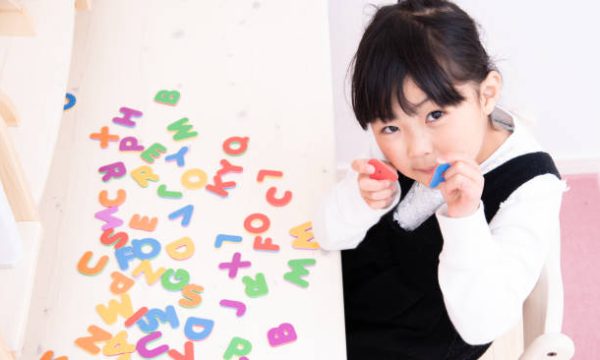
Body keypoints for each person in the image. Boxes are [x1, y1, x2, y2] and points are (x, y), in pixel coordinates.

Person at [312, 0, 567, 359]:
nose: (416, 149)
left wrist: (465, 220)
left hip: (418, 341)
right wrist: (360, 200)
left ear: (487, 94)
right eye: (389, 126)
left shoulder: (532, 189)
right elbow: (326, 234)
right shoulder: (410, 139)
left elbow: (482, 322)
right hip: (353, 299)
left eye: (434, 115)